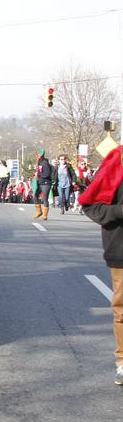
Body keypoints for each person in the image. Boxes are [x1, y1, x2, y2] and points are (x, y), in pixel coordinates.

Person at [79, 145, 123, 386]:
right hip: (120, 248)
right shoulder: (116, 164)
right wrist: (119, 211)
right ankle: (122, 362)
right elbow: (90, 205)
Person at [33, 149, 53, 221]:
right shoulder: (39, 163)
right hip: (39, 183)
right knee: (35, 196)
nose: (36, 157)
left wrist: (38, 174)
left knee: (45, 198)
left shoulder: (45, 163)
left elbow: (47, 174)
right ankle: (39, 212)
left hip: (46, 183)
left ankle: (45, 215)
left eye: (37, 155)